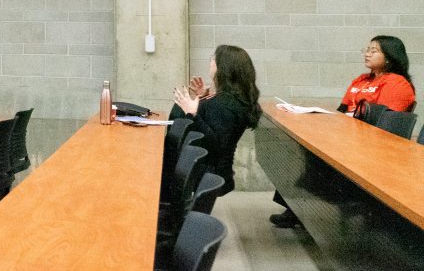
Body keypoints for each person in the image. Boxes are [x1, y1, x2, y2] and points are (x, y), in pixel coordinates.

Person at [270, 35, 415, 227]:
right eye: (367, 49)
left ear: (389, 57)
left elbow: (385, 122)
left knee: (316, 158)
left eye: (374, 50)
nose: (367, 54)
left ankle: (300, 210)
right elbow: (342, 110)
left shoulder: (397, 83)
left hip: (373, 147)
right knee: (305, 148)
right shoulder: (361, 80)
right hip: (349, 138)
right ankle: (297, 208)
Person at [170, 44, 262, 196]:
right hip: (212, 171)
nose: (210, 61)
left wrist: (192, 113)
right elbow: (214, 124)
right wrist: (202, 98)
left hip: (205, 172)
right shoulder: (230, 100)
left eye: (213, 58)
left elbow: (214, 143)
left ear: (223, 67)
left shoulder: (225, 105)